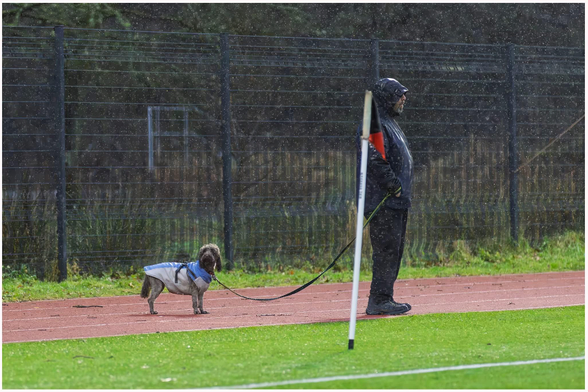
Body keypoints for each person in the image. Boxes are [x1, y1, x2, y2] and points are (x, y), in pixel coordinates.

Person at [356, 78, 413, 315]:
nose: (404, 99)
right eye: (399, 94)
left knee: (394, 249)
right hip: (384, 201)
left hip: (394, 201)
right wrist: (394, 186)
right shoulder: (375, 123)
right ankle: (379, 299)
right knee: (387, 249)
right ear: (388, 97)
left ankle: (384, 297)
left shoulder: (389, 123)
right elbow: (374, 159)